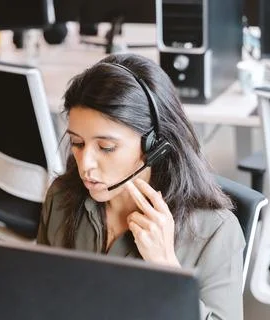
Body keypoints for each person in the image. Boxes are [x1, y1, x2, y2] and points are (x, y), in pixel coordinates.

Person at [36, 53, 245, 320]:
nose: (85, 164)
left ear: (155, 146)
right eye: (77, 143)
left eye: (106, 148)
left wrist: (167, 269)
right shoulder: (62, 198)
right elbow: (39, 297)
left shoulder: (214, 231)